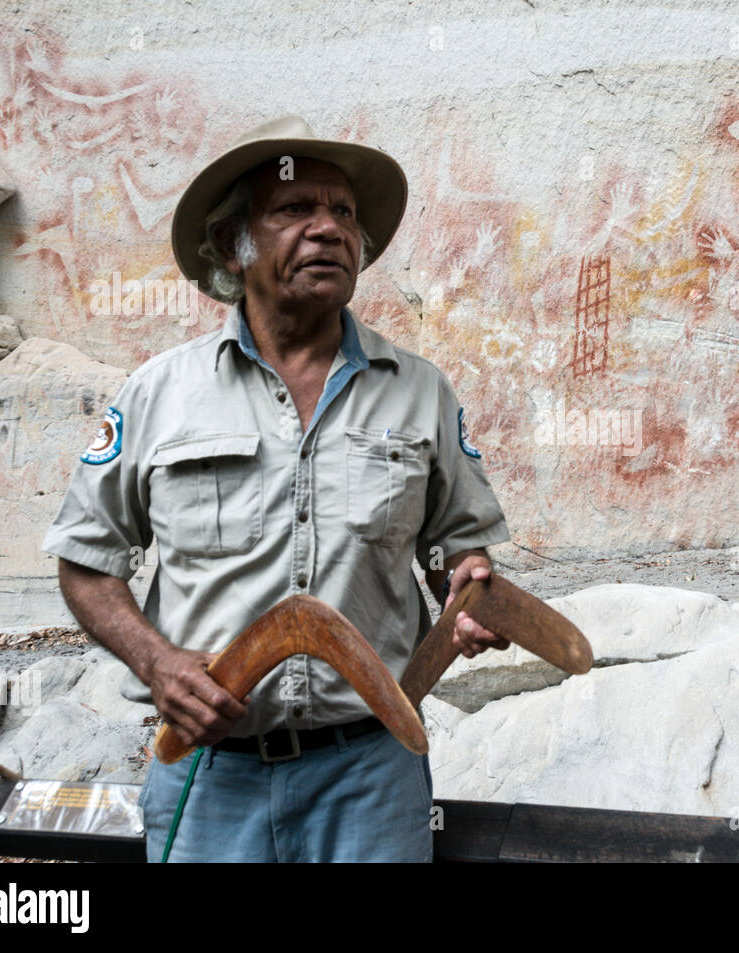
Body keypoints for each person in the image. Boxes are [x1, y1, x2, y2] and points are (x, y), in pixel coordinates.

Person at [41, 116, 513, 862]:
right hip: (211, 773)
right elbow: (85, 559)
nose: (328, 229)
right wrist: (158, 663)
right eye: (295, 210)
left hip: (372, 774)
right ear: (234, 245)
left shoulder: (420, 392)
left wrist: (470, 589)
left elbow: (459, 550)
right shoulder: (159, 394)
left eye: (344, 214)